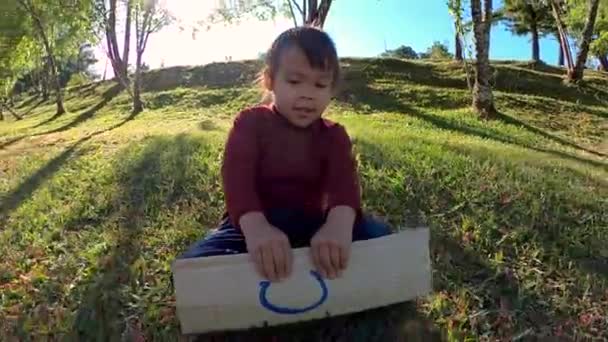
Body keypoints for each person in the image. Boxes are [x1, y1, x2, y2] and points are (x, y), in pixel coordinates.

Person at [179, 26, 392, 282]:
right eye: (294, 81)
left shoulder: (334, 135)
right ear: (270, 81)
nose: (307, 94)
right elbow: (238, 184)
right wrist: (257, 229)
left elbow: (344, 187)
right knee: (192, 271)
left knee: (383, 240)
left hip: (315, 223)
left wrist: (337, 226)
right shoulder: (249, 123)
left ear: (331, 89)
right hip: (254, 225)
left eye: (320, 84)